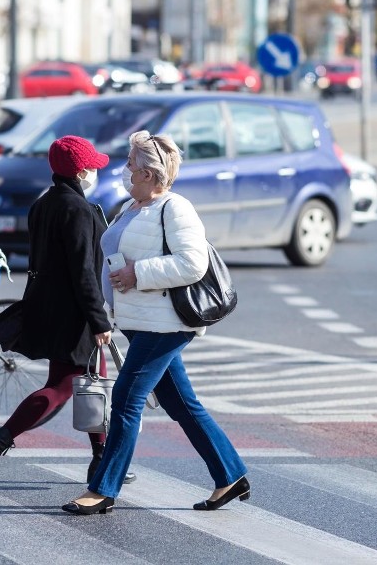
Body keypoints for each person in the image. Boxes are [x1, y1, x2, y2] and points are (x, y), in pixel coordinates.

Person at [62, 131, 249, 515]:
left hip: (166, 324)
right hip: (141, 320)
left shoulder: (175, 208)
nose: (125, 168)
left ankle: (103, 489)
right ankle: (229, 475)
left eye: (131, 163)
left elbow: (193, 263)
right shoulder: (132, 207)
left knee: (127, 399)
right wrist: (104, 307)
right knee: (182, 404)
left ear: (148, 172)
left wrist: (138, 274)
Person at [0, 135, 134, 487]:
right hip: (74, 313)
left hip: (50, 306)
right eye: (92, 166)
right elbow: (83, 271)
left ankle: (102, 458)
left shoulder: (43, 204)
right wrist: (98, 319)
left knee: (93, 385)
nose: (95, 172)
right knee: (65, 386)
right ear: (81, 170)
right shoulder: (78, 210)